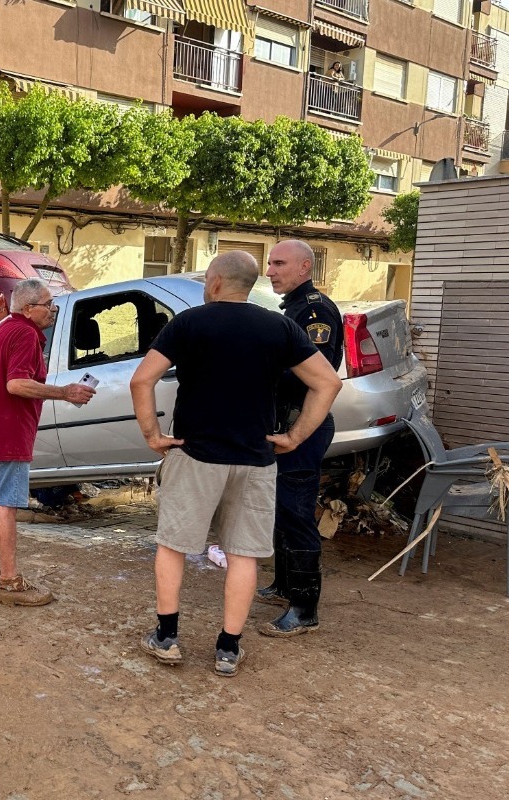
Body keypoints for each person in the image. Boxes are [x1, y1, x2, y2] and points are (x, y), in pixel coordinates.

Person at [129, 251, 341, 677]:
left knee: (173, 546)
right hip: (256, 458)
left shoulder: (188, 323)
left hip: (195, 455)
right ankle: (228, 649)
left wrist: (153, 436)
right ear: (249, 285)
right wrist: (295, 437)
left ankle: (167, 638)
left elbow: (141, 379)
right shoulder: (279, 326)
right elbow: (327, 382)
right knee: (243, 553)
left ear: (214, 282)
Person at [0, 277, 96, 606]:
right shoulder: (26, 334)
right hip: (10, 435)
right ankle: (10, 581)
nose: (53, 310)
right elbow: (16, 384)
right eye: (48, 304)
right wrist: (64, 392)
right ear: (28, 308)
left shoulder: (2, 329)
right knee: (6, 507)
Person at [257, 240, 344, 638]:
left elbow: (314, 373)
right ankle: (284, 585)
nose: (270, 271)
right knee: (280, 509)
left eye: (279, 263)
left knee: (295, 511)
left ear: (305, 266)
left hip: (302, 428)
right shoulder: (293, 307)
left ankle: (304, 608)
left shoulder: (313, 311)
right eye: (269, 263)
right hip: (286, 424)